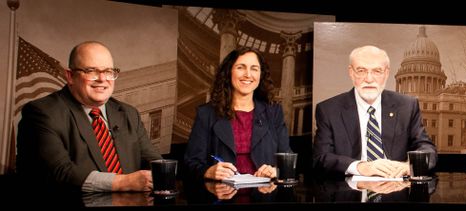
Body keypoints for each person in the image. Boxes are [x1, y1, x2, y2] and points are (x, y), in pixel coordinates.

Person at [16, 41, 162, 192]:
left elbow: (156, 163)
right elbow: (60, 172)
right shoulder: (42, 113)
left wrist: (161, 175)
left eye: (108, 71)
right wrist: (123, 182)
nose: (102, 79)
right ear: (70, 76)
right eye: (92, 71)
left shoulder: (128, 113)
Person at [313, 45, 437, 178]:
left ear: (386, 73)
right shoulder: (328, 110)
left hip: (396, 190)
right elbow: (321, 158)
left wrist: (409, 166)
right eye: (361, 70)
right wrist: (360, 167)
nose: (369, 79)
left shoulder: (407, 106)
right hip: (348, 192)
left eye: (377, 71)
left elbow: (427, 148)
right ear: (351, 72)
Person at [184, 47, 291, 181]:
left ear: (260, 75)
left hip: (264, 196)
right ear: (229, 72)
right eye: (241, 67)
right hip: (222, 196)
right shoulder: (206, 113)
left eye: (254, 68)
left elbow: (288, 159)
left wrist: (276, 171)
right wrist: (208, 171)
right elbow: (191, 163)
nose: (248, 74)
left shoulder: (274, 112)